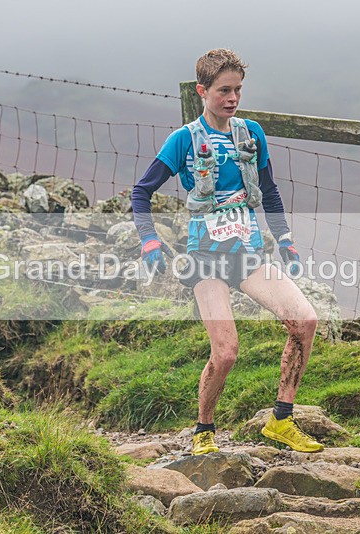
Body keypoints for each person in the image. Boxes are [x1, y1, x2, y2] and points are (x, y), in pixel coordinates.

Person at [131, 49, 322, 454]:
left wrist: (284, 239)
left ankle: (281, 421)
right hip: (205, 259)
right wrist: (149, 239)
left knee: (305, 321)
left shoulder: (252, 134)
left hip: (249, 254)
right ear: (202, 91)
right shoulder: (183, 139)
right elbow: (141, 192)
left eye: (237, 89)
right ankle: (204, 430)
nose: (232, 98)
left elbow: (269, 191)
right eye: (223, 90)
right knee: (227, 352)